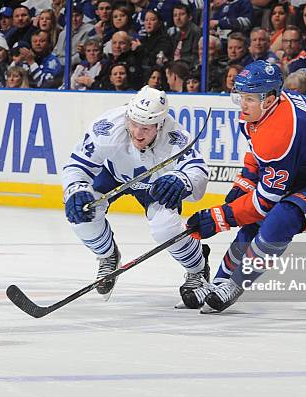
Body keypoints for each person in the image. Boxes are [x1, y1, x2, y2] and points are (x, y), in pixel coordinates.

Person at [185, 60, 306, 313]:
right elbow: (258, 152)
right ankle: (220, 282)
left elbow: (264, 202)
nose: (243, 104)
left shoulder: (280, 131)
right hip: (305, 167)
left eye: (250, 98)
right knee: (251, 219)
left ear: (270, 98)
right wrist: (244, 184)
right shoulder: (263, 109)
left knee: (281, 218)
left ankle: (235, 284)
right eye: (240, 96)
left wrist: (218, 218)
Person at [61, 86, 210, 306]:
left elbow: (199, 173)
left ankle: (197, 269)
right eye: (134, 124)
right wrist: (76, 188)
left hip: (154, 185)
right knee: (82, 213)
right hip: (112, 175)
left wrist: (182, 180)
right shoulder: (108, 127)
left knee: (165, 228)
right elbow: (76, 166)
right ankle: (107, 255)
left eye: (146, 128)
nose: (138, 133)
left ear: (159, 124)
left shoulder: (175, 137)